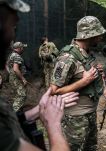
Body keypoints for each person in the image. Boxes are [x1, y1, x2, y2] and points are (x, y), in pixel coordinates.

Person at [0, 0, 79, 150]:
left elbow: (6, 123)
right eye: (12, 27)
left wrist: (38, 110)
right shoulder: (45, 47)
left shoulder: (50, 47)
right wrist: (53, 124)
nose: (12, 36)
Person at [50, 16, 106, 151]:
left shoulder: (86, 54)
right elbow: (53, 90)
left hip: (90, 114)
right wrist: (84, 82)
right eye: (98, 34)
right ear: (89, 35)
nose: (101, 37)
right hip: (75, 118)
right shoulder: (67, 58)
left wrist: (96, 73)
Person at [6, 41, 28, 111]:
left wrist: (10, 72)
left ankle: (16, 111)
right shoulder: (17, 56)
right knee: (22, 95)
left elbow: (6, 64)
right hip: (17, 79)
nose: (23, 49)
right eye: (22, 48)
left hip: (13, 78)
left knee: (17, 95)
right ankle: (14, 112)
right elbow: (16, 69)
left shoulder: (11, 55)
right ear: (19, 48)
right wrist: (23, 79)